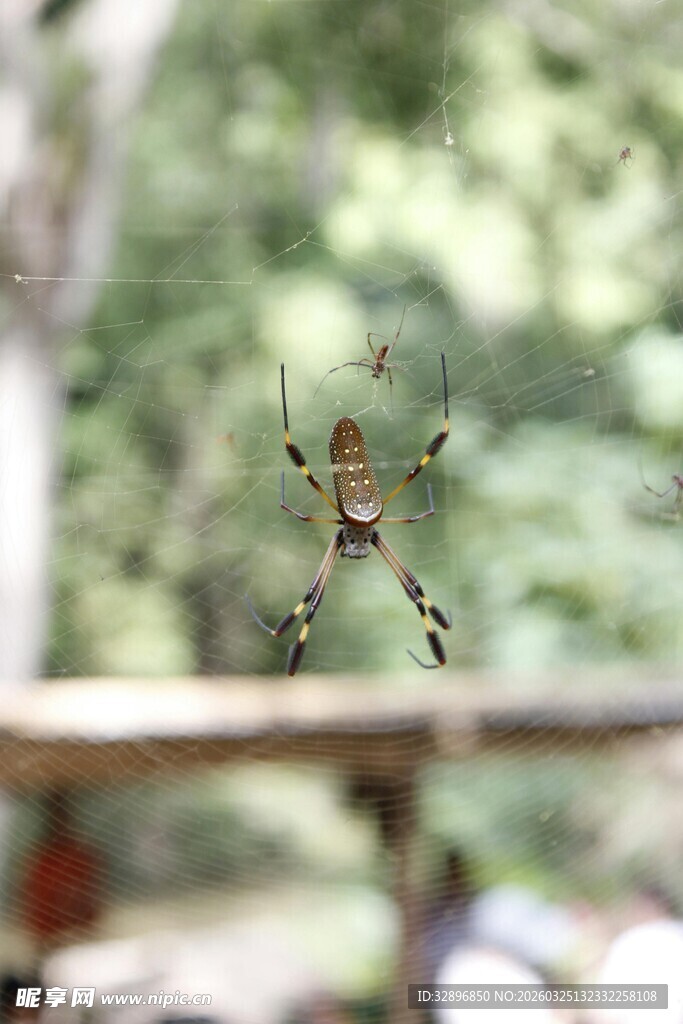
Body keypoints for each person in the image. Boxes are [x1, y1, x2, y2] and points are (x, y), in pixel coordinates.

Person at [18, 790, 103, 957]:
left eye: (63, 813)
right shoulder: (41, 861)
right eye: (56, 813)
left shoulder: (81, 858)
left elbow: (91, 900)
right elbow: (34, 906)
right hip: (51, 943)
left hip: (80, 941)